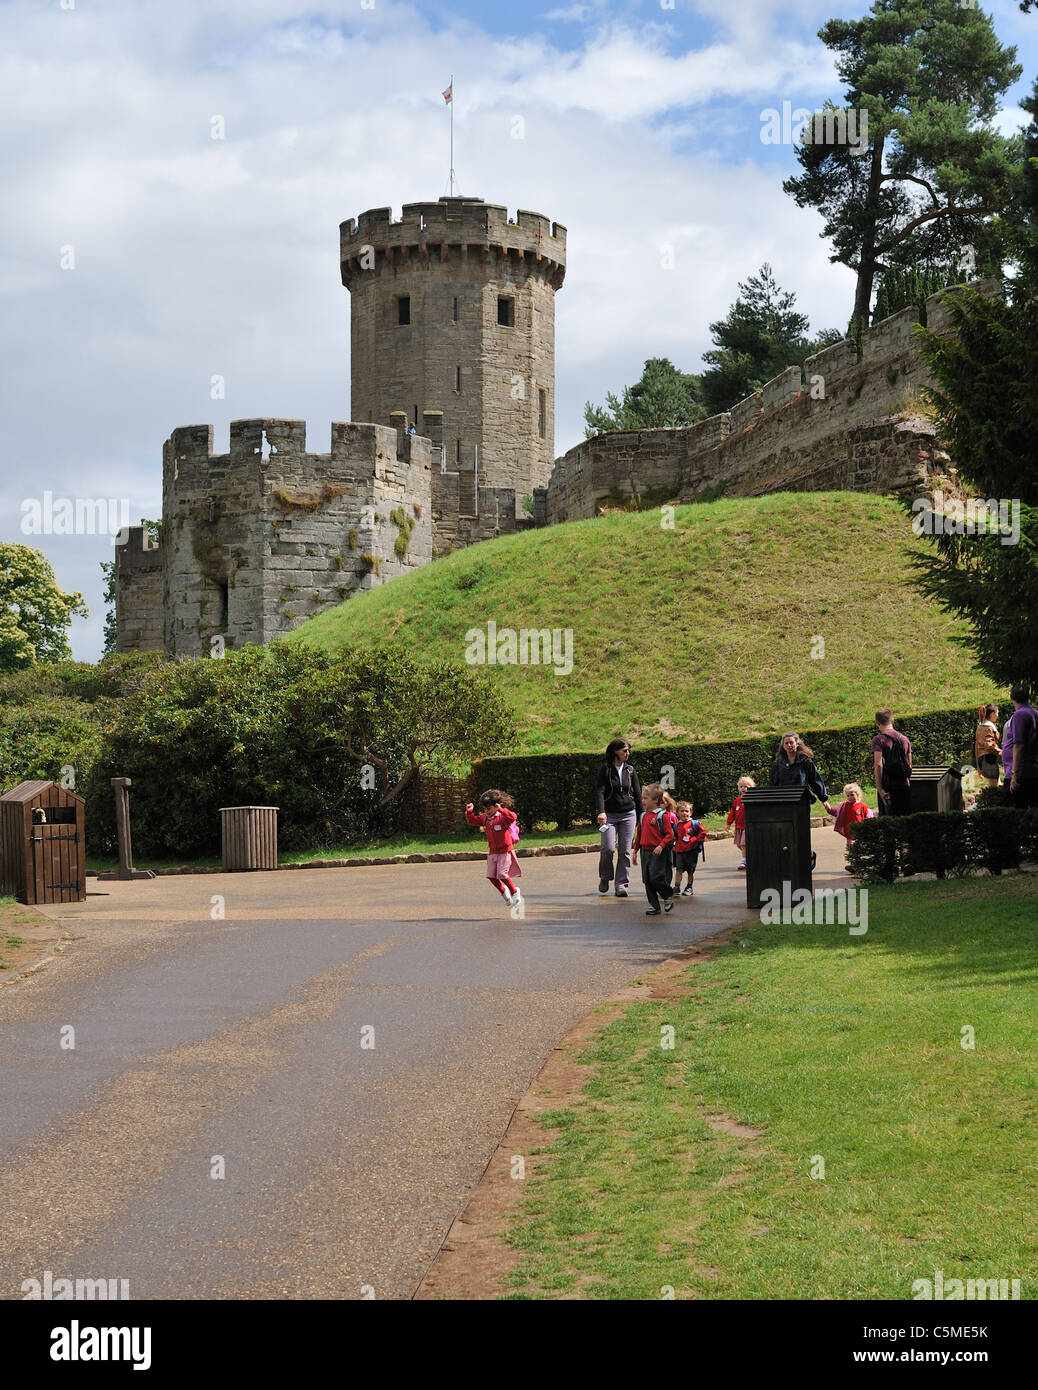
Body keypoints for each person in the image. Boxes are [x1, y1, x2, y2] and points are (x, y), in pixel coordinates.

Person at [595, 737, 642, 898]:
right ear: (615, 751)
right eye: (625, 750)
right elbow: (600, 791)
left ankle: (621, 885)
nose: (627, 753)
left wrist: (642, 816)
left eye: (629, 750)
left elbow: (637, 793)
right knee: (607, 848)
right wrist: (601, 811)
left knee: (625, 851)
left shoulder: (630, 770)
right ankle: (605, 877)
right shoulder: (605, 769)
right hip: (609, 816)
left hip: (629, 814)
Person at [465, 789, 522, 909]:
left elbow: (513, 817)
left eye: (489, 808)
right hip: (493, 852)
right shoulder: (485, 818)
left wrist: (501, 809)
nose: (486, 811)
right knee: (491, 876)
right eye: (484, 809)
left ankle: (514, 892)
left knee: (502, 874)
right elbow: (472, 821)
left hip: (505, 851)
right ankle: (503, 891)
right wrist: (469, 812)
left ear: (496, 806)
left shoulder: (502, 817)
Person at [631, 784, 676, 916]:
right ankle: (654, 906)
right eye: (642, 798)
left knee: (656, 877)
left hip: (658, 852)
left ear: (655, 800)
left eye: (645, 798)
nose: (643, 801)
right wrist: (635, 851)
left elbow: (670, 835)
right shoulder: (643, 816)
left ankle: (668, 896)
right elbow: (639, 835)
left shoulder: (663, 816)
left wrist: (661, 845)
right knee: (647, 879)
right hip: (645, 851)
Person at [769, 733, 834, 815]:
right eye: (786, 743)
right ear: (783, 746)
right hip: (784, 801)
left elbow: (815, 780)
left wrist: (823, 799)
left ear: (797, 744)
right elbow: (773, 783)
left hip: (801, 800)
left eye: (791, 742)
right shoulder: (778, 763)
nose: (789, 745)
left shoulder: (805, 761)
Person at [870, 710, 912, 816]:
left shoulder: (878, 740)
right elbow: (909, 765)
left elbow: (878, 765)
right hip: (904, 785)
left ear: (877, 723)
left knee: (888, 821)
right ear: (892, 720)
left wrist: (880, 789)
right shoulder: (904, 739)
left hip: (888, 785)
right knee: (904, 819)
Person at [1004, 685, 1038, 809]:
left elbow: (1018, 745)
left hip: (1021, 773)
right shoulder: (1034, 713)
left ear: (1011, 697)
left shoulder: (1019, 715)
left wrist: (1014, 775)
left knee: (1015, 814)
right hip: (1032, 770)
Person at [832, 782, 873, 872]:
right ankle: (854, 865)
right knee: (851, 848)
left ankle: (856, 864)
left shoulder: (862, 806)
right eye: (848, 796)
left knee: (857, 848)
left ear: (857, 795)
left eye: (852, 795)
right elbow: (836, 811)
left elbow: (866, 816)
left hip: (859, 831)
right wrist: (828, 807)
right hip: (849, 832)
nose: (850, 797)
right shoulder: (844, 806)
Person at [671, 800, 707, 896]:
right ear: (677, 813)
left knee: (690, 871)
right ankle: (677, 886)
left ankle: (689, 887)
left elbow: (703, 833)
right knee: (679, 869)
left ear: (691, 812)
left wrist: (695, 840)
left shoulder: (694, 824)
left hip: (691, 852)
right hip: (680, 851)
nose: (684, 813)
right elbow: (675, 836)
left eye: (686, 811)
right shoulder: (676, 825)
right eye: (681, 811)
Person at [726, 776, 754, 870]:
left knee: (743, 844)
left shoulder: (752, 799)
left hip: (747, 826)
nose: (743, 788)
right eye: (741, 786)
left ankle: (744, 861)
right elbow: (732, 813)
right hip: (739, 827)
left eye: (746, 786)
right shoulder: (737, 800)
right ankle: (749, 856)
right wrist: (728, 823)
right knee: (739, 844)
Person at [974, 705, 1002, 786]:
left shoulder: (980, 727)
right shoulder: (989, 727)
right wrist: (1001, 752)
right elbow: (989, 745)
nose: (997, 716)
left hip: (982, 759)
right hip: (989, 759)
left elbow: (977, 747)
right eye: (997, 713)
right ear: (992, 714)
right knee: (995, 787)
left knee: (995, 784)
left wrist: (978, 767)